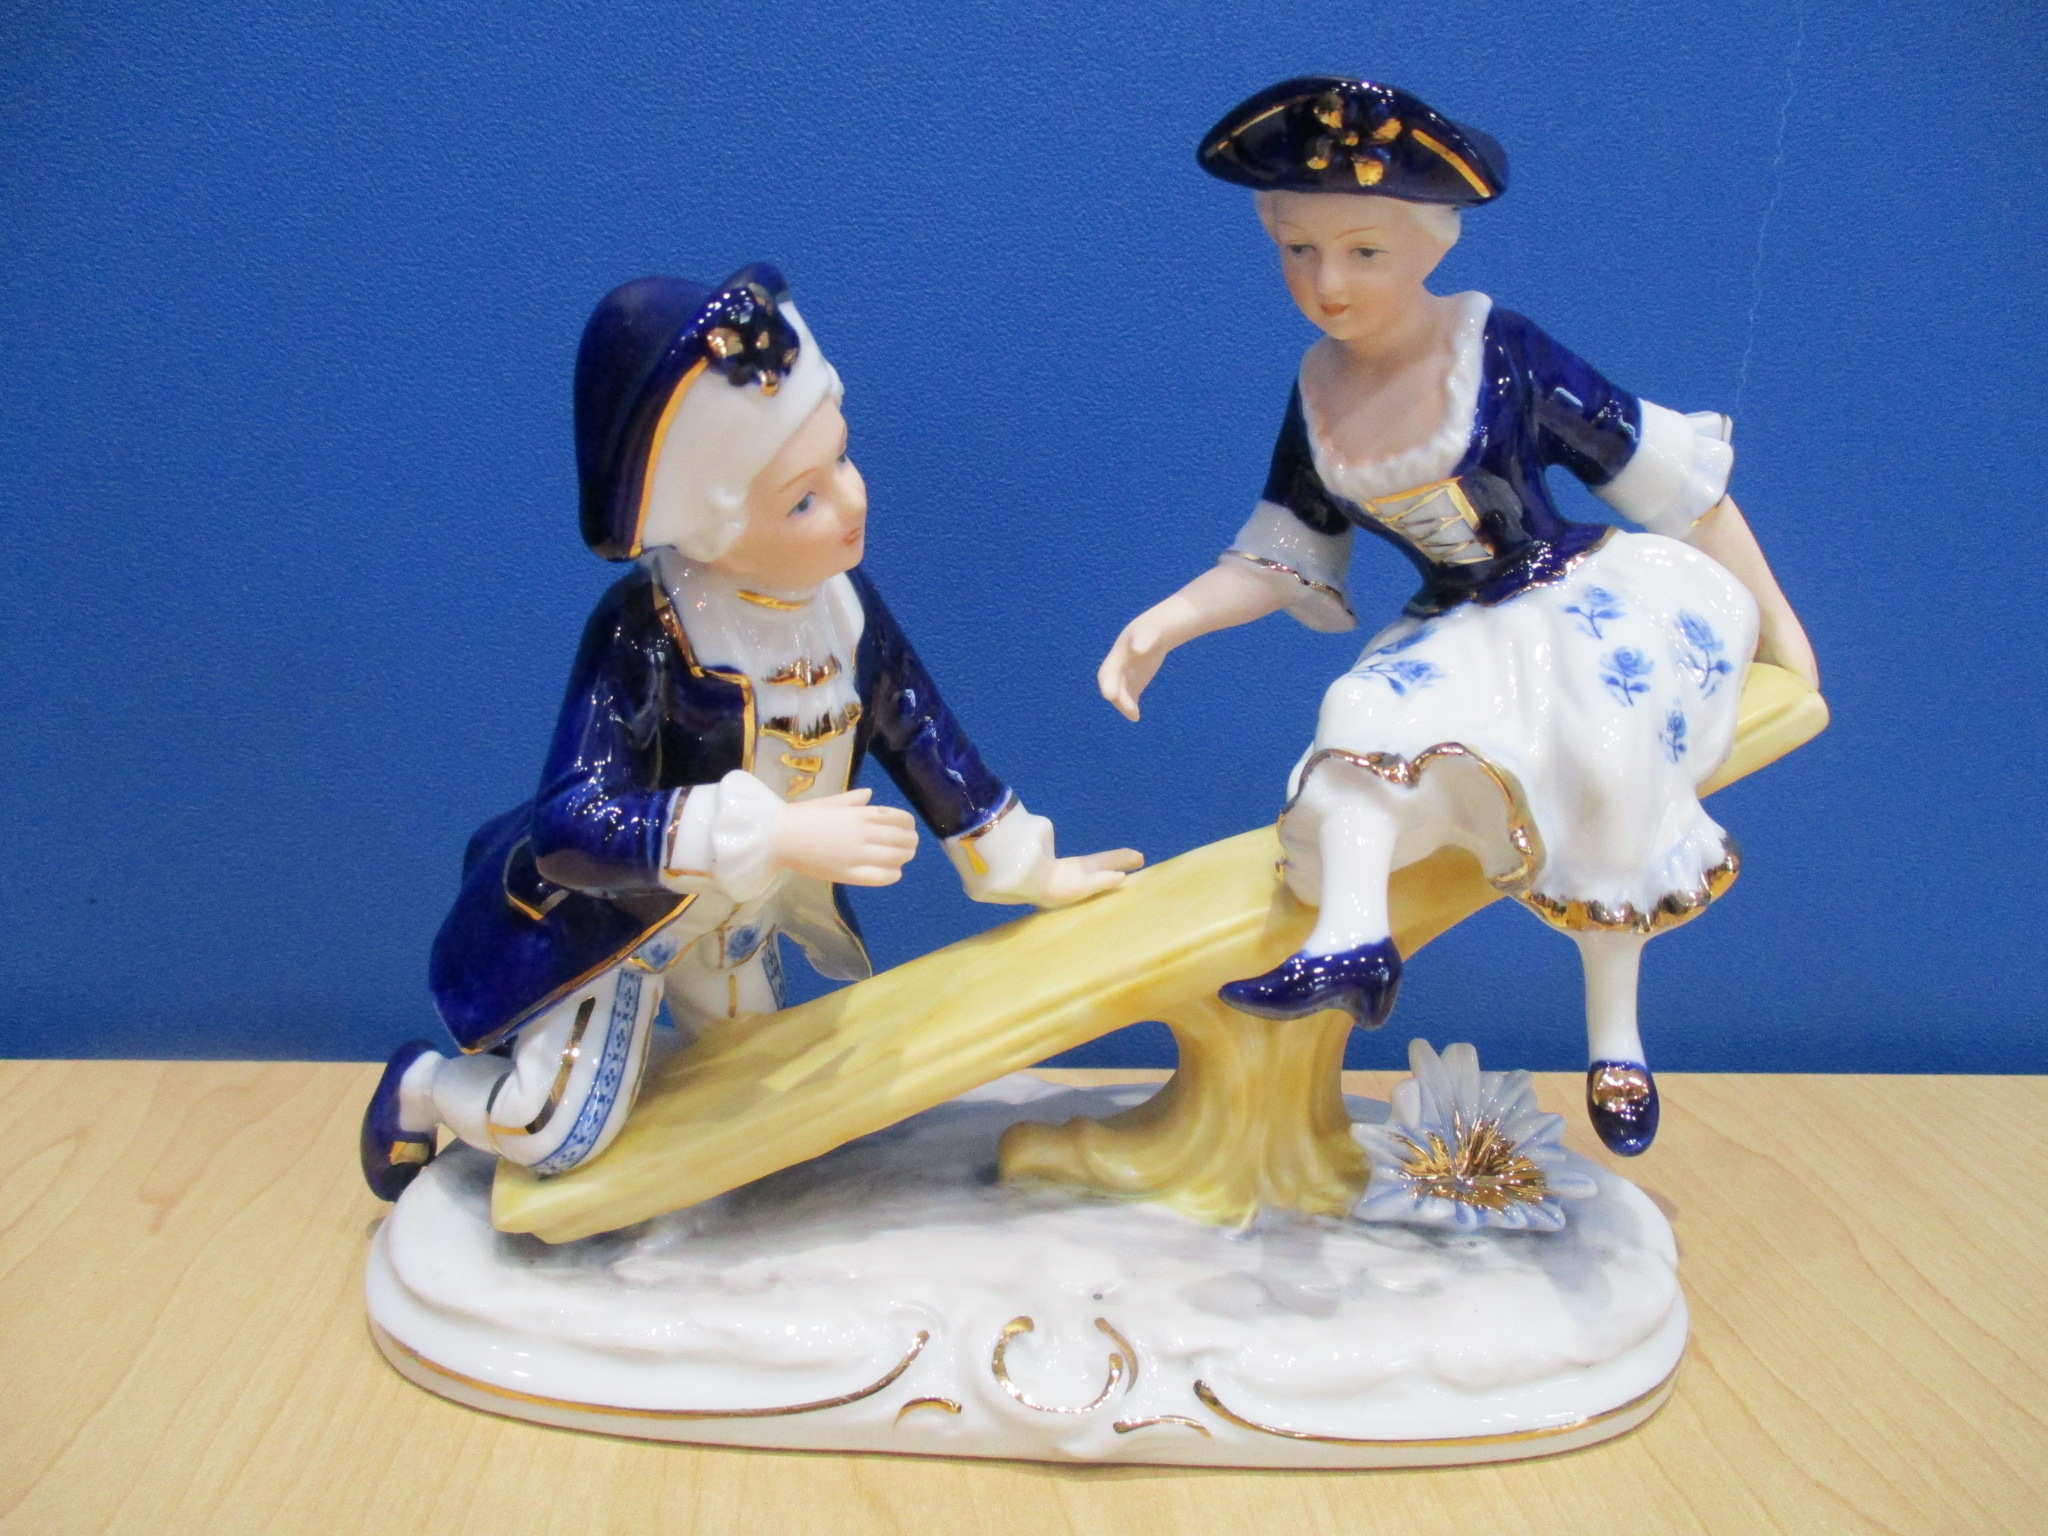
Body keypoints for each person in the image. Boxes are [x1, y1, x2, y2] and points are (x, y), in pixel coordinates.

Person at [1097, 78, 1817, 1154]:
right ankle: (1351, 944)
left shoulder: (1503, 353)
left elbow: (1669, 482)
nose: (1327, 283)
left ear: (1429, 245)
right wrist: (1166, 622)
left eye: (1362, 252)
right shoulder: (1317, 391)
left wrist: (1781, 627)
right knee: (1353, 720)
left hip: (1572, 599)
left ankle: (1615, 1036)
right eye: (1298, 250)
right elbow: (1284, 551)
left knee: (1610, 762)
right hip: (1457, 628)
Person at [360, 265, 1140, 1198]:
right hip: (615, 928)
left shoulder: (840, 605)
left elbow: (920, 729)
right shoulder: (649, 634)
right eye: (802, 500)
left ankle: (702, 1235)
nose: (850, 502)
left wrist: (1025, 865)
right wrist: (772, 833)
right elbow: (572, 826)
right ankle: (425, 1086)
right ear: (711, 532)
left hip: (735, 919)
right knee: (553, 1130)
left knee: (760, 1099)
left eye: (842, 461)